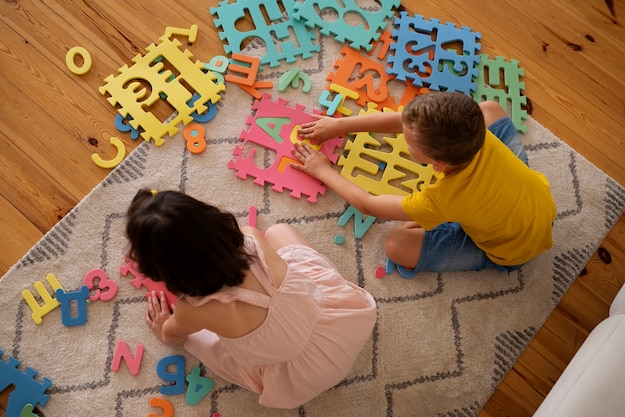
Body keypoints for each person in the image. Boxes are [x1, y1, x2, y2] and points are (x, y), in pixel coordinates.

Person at [125, 189, 377, 409]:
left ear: (164, 271)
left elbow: (172, 336)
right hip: (339, 325)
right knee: (279, 231)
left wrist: (163, 327)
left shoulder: (193, 309)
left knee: (199, 340)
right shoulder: (251, 238)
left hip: (301, 377)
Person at [293, 92, 556, 274]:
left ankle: (480, 243)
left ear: (437, 165)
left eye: (408, 143)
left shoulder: (441, 198)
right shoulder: (475, 133)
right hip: (539, 205)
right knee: (490, 109)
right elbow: (405, 121)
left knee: (396, 246)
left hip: (512, 250)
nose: (403, 138)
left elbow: (369, 205)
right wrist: (340, 126)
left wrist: (323, 171)